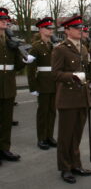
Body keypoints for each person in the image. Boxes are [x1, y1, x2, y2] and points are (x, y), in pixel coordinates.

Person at [51, 16, 91, 184]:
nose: (80, 30)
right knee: (66, 136)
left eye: (81, 27)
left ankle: (76, 164)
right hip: (68, 99)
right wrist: (73, 76)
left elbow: (87, 69)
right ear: (67, 30)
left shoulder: (83, 48)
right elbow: (55, 74)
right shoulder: (61, 49)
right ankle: (65, 168)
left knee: (77, 134)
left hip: (82, 97)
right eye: (76, 28)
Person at [0, 8, 26, 164]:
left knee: (6, 119)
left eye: (6, 19)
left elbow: (18, 66)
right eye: (1, 19)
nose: (4, 21)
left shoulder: (9, 40)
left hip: (8, 84)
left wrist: (16, 50)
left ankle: (4, 149)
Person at [27, 17, 57, 150]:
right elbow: (31, 68)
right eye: (47, 28)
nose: (50, 30)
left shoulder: (53, 46)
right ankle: (41, 138)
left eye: (51, 28)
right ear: (40, 29)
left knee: (52, 111)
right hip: (43, 82)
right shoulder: (36, 47)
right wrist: (32, 86)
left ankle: (49, 136)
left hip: (53, 82)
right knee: (43, 112)